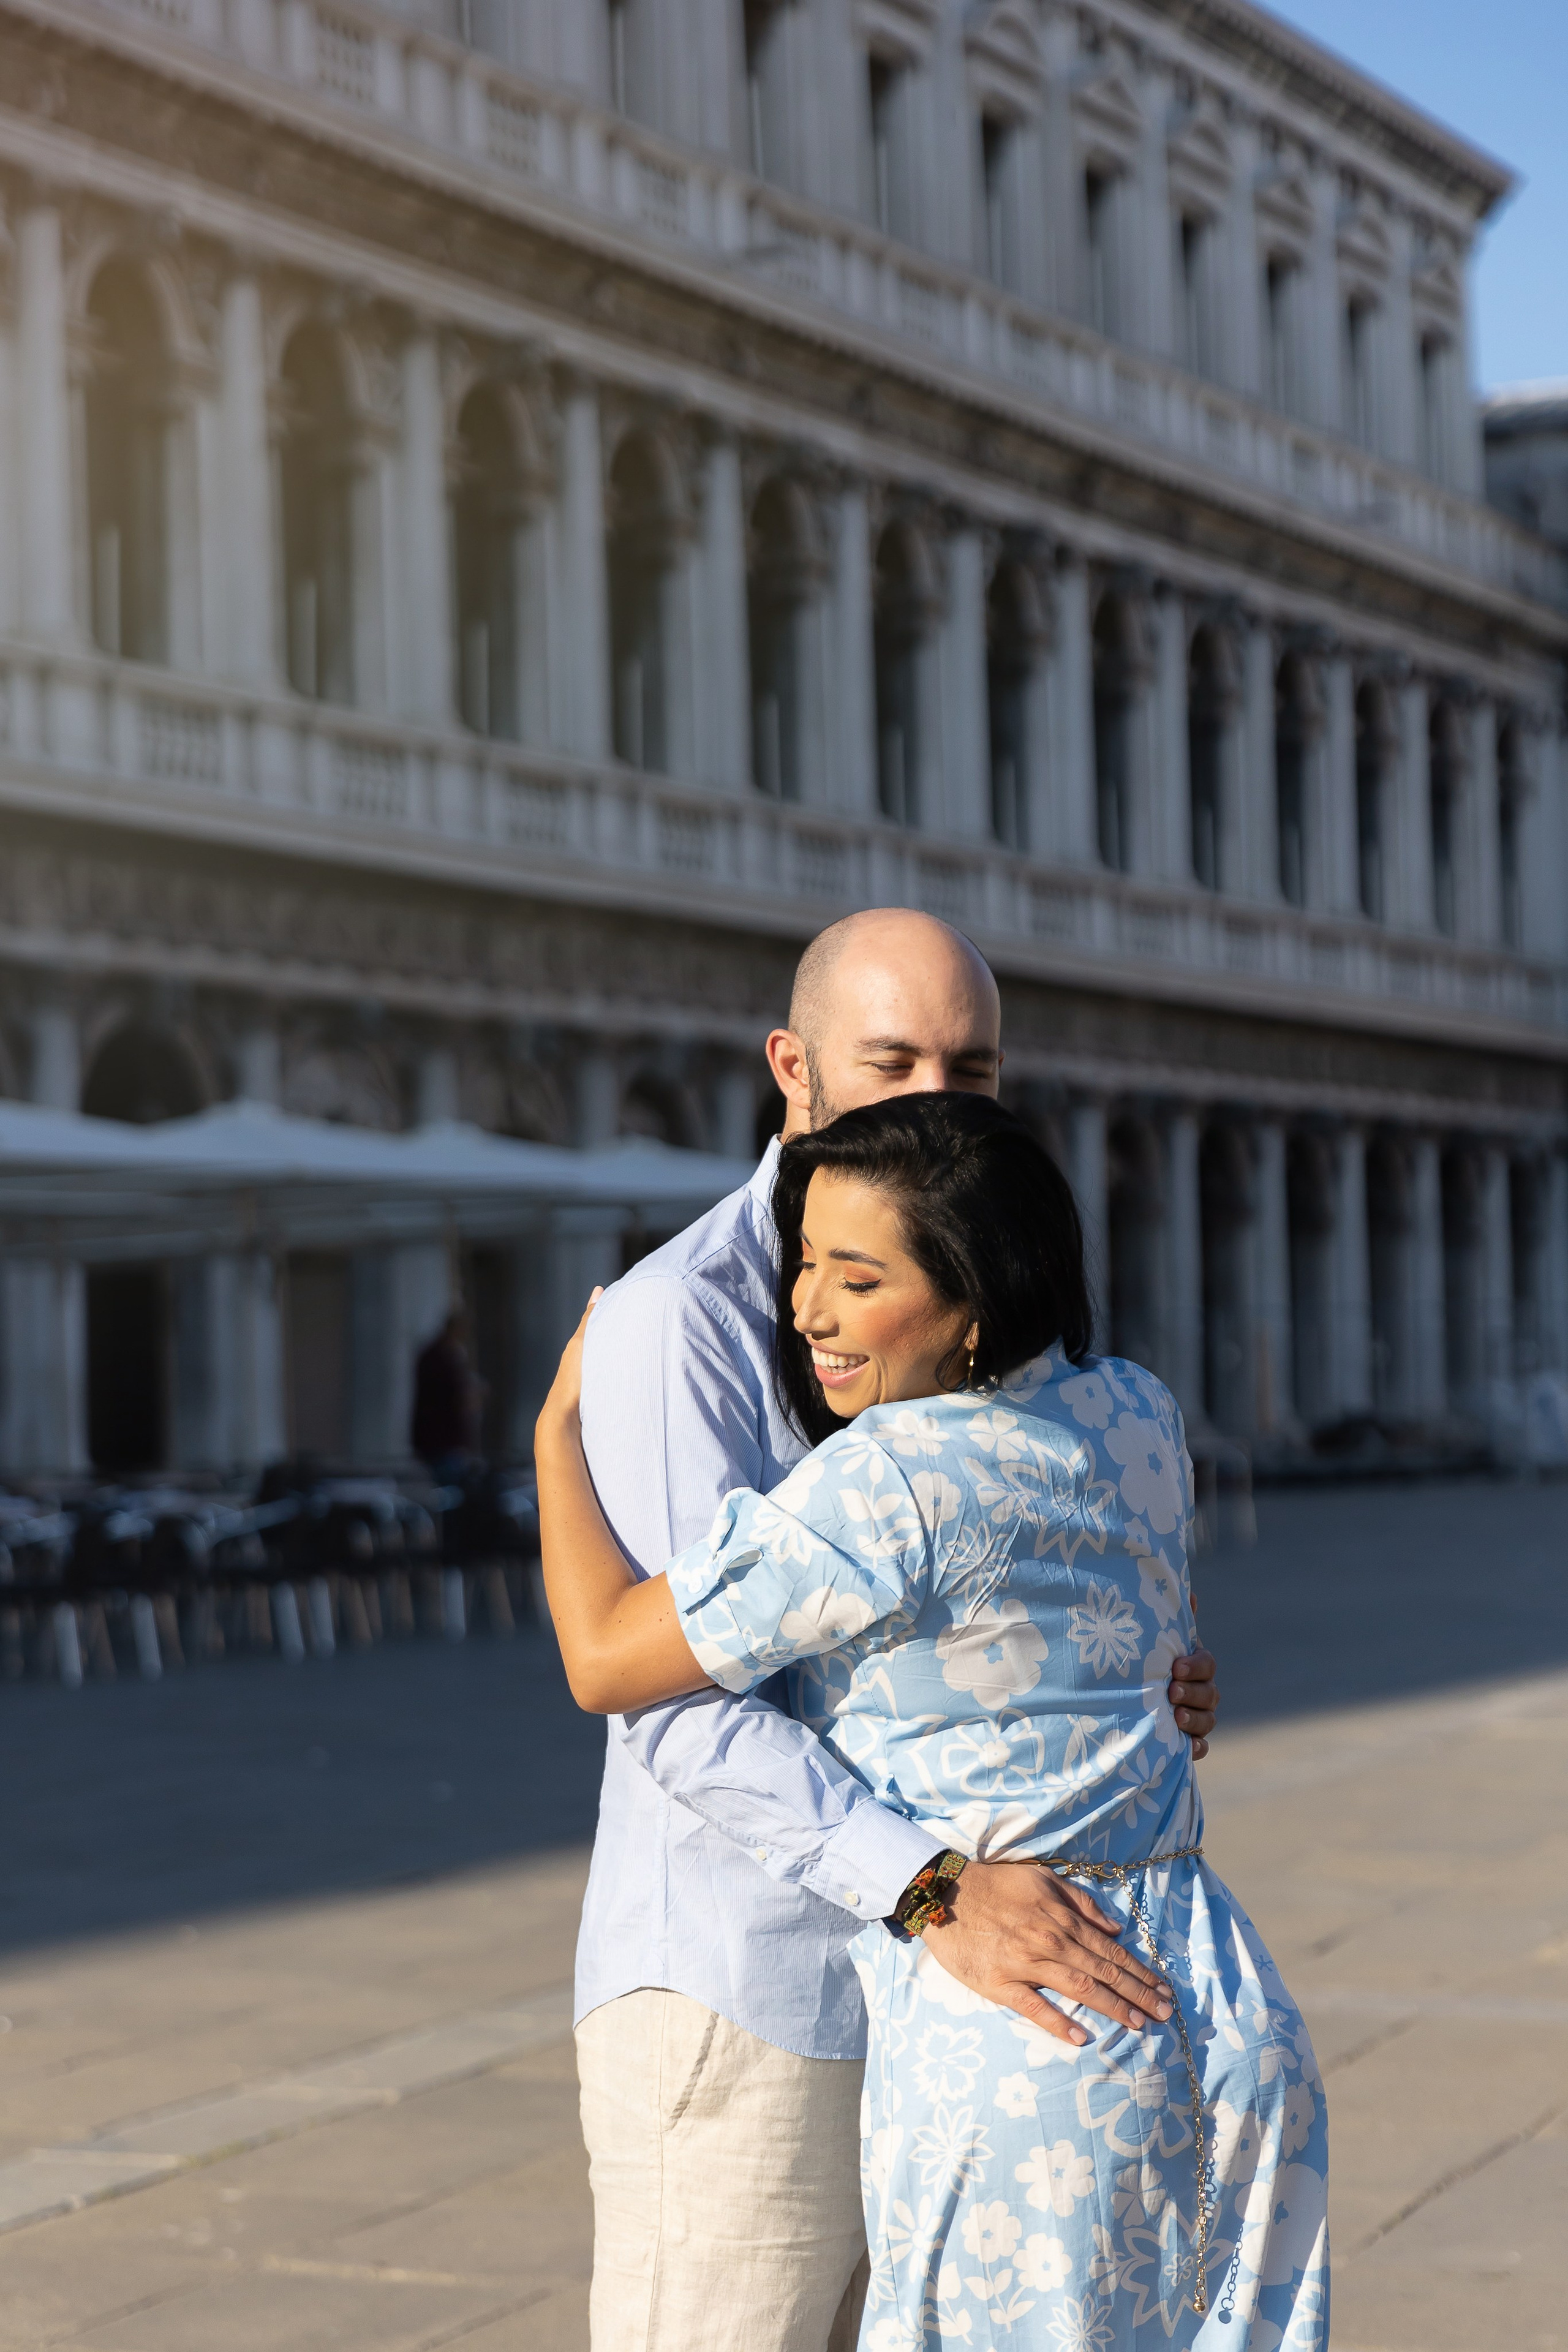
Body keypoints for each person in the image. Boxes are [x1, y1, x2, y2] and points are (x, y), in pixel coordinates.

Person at [539, 1091, 1328, 2350]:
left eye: (857, 1279)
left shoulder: (884, 1482)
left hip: (1035, 2039)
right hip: (1224, 2014)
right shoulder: (1136, 1411)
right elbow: (1135, 1655)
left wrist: (554, 1434)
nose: (805, 1311)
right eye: (803, 1265)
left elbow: (604, 1659)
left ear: (971, 1307)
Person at [409, 1307, 483, 1476]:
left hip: (444, 1439)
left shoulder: (449, 1354)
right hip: (440, 1439)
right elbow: (453, 1395)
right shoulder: (440, 1356)